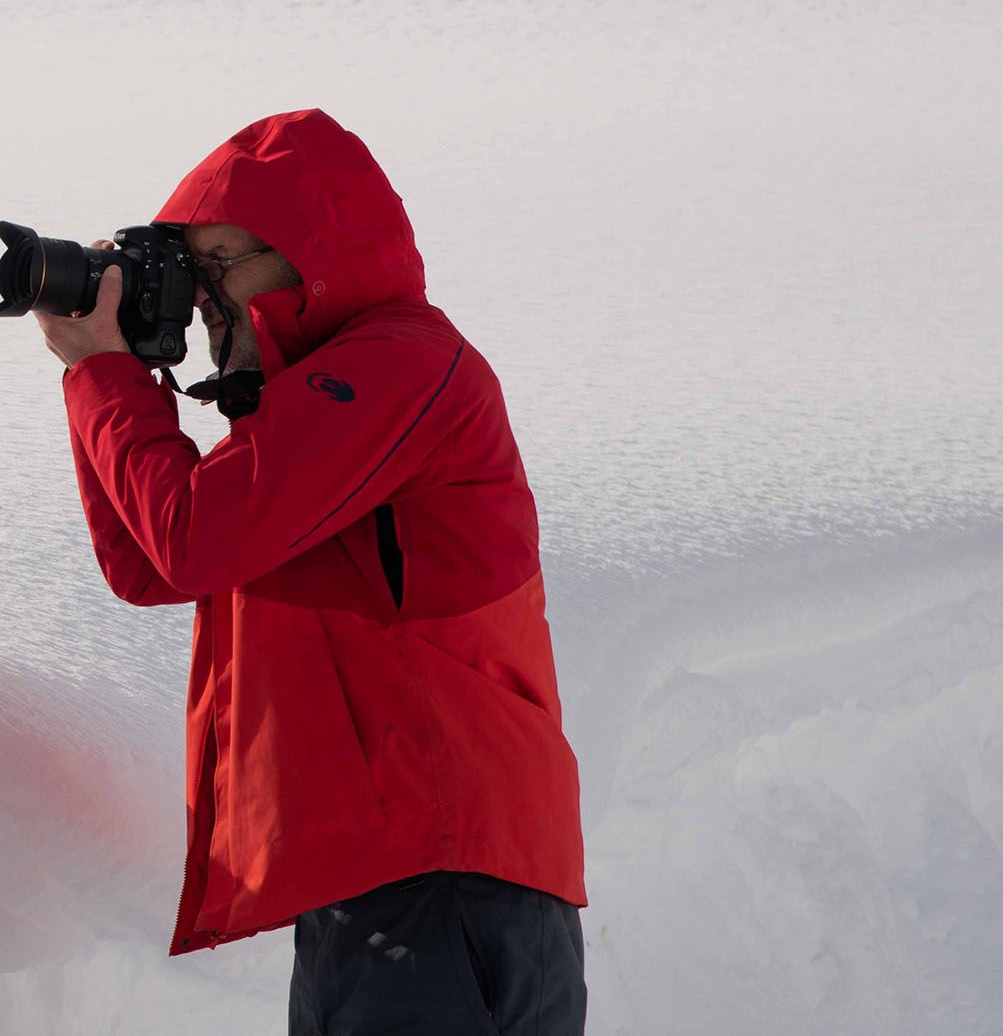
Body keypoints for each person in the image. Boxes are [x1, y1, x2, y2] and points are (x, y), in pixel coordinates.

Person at [33, 109, 589, 1034]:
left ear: (313, 255)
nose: (206, 296)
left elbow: (192, 538)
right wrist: (99, 371)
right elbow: (150, 565)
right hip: (390, 882)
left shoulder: (402, 365)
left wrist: (106, 378)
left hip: (441, 874)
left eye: (222, 262)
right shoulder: (319, 410)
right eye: (194, 269)